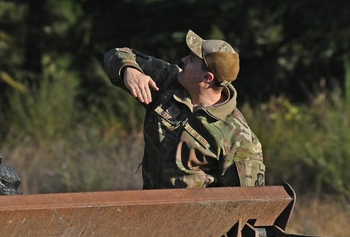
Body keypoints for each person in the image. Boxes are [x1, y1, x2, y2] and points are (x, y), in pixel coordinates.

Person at [104, 30, 265, 189]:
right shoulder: (169, 81)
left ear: (207, 78)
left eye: (192, 60)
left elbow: (247, 203)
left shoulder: (239, 140)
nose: (183, 60)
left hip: (192, 214)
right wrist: (129, 69)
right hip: (149, 208)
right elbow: (118, 53)